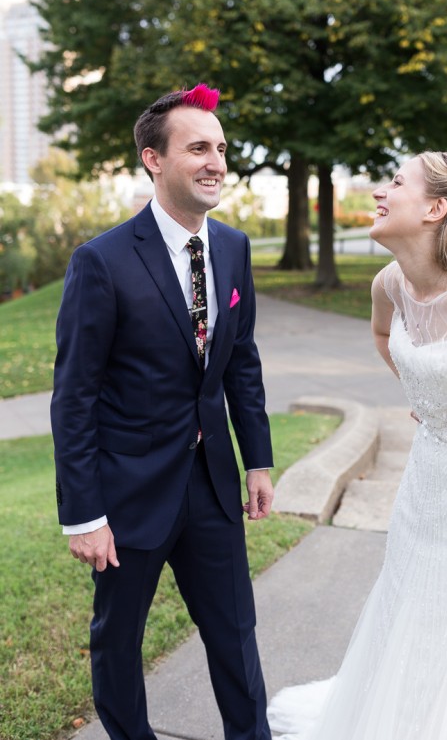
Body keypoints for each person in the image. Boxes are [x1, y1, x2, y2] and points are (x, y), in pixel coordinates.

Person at [268, 151, 447, 740]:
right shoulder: (391, 282)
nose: (379, 191)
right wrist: (427, 394)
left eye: (395, 182)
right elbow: (383, 336)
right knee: (412, 608)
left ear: (435, 208)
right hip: (430, 482)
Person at [51, 84, 275, 740]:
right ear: (153, 158)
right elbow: (74, 395)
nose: (217, 162)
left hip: (211, 483)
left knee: (235, 629)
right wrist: (85, 513)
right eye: (199, 147)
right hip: (127, 493)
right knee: (118, 638)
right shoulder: (100, 260)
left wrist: (256, 458)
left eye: (222, 149)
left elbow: (241, 360)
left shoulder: (232, 247)